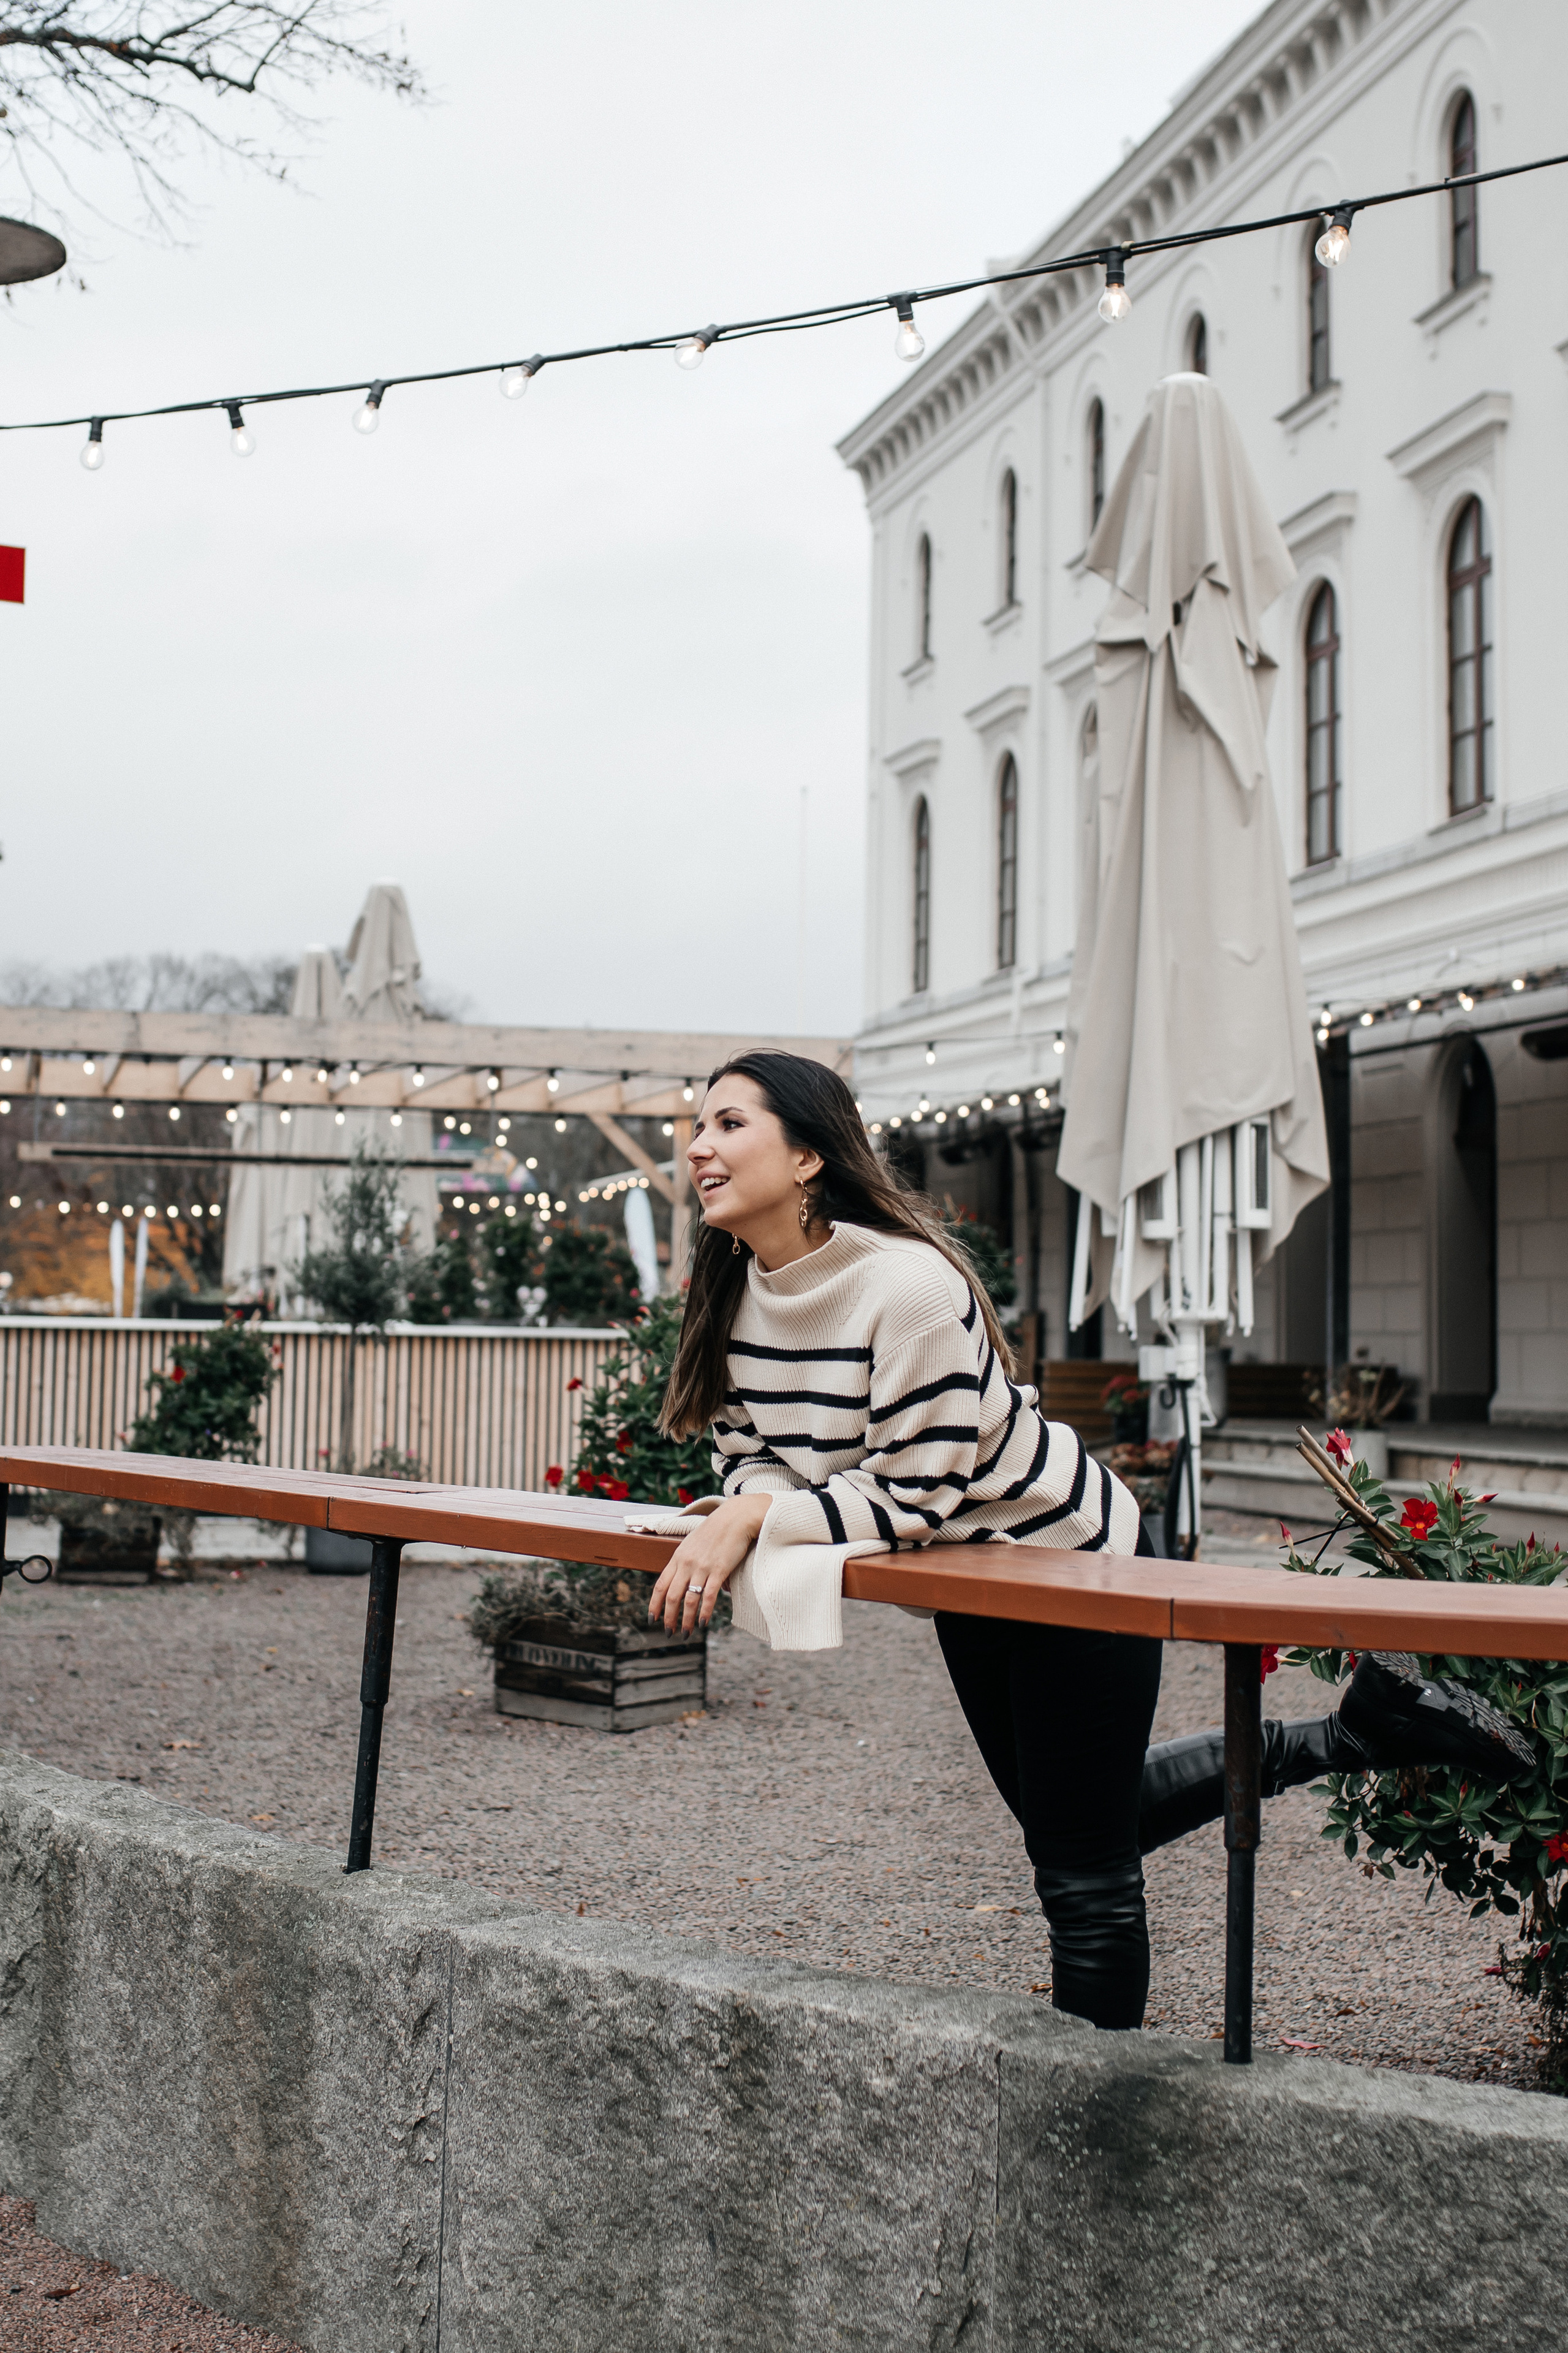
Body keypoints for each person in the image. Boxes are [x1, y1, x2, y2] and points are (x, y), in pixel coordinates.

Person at [648, 1051, 1533, 2032]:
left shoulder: (904, 1287)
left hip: (1074, 1555)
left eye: (730, 1124)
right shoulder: (731, 1291)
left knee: (1085, 1880)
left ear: (810, 1155)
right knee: (1069, 1829)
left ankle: (1090, 2115)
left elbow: (913, 1496)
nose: (700, 1148)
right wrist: (752, 1502)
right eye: (698, 1128)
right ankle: (1357, 1731)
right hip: (970, 1578)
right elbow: (751, 1452)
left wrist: (756, 1517)